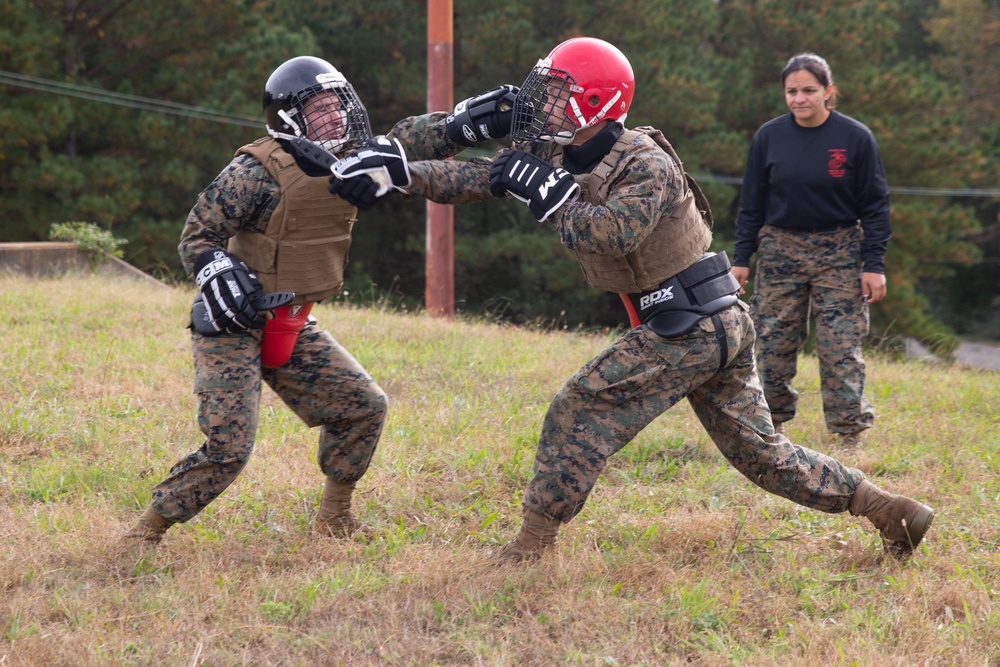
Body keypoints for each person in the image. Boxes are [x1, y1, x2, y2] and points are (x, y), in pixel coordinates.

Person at [325, 37, 932, 562]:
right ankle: (888, 510)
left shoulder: (646, 161)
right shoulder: (559, 149)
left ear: (594, 103)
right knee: (764, 456)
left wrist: (555, 198)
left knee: (576, 406)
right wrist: (403, 172)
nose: (545, 103)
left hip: (692, 322)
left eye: (560, 92)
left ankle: (529, 548)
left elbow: (611, 232)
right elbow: (485, 177)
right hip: (702, 319)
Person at [125, 56, 389, 543]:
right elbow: (196, 236)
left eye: (338, 106)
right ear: (289, 118)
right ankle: (144, 533)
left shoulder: (355, 164)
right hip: (233, 321)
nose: (335, 118)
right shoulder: (256, 170)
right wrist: (215, 266)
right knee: (229, 447)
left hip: (292, 319)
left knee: (363, 406)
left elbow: (421, 148)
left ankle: (334, 518)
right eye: (321, 109)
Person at [730, 53, 891, 453]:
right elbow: (751, 204)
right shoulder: (769, 137)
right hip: (780, 249)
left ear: (828, 92)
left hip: (839, 250)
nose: (799, 99)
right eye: (791, 91)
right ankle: (773, 426)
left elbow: (875, 206)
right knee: (771, 342)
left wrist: (874, 264)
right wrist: (740, 259)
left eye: (808, 90)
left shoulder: (855, 138)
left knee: (840, 346)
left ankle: (848, 431)